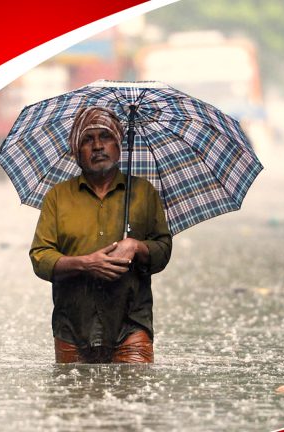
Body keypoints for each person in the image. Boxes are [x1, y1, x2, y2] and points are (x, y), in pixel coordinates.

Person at [29, 106, 172, 364]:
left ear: (119, 146)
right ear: (76, 152)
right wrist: (86, 263)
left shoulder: (143, 193)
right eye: (87, 139)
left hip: (131, 326)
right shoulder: (58, 197)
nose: (97, 146)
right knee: (73, 400)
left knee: (134, 400)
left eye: (105, 137)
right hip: (73, 328)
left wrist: (136, 246)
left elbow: (163, 250)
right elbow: (40, 258)